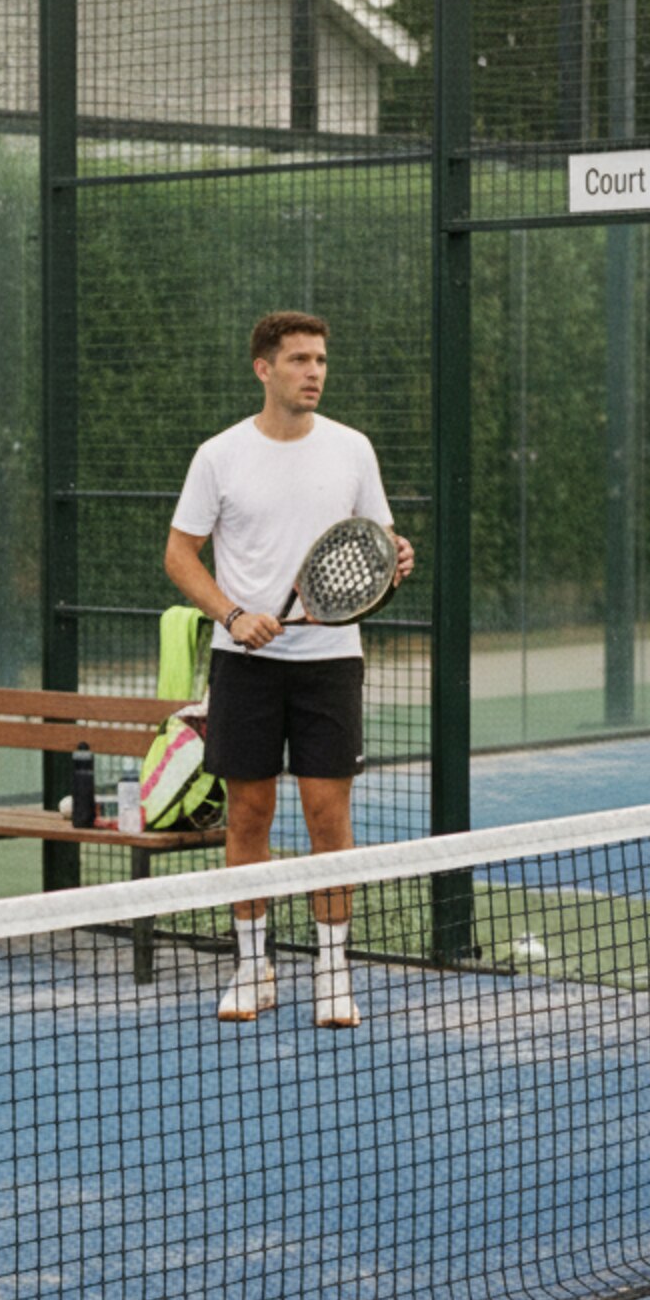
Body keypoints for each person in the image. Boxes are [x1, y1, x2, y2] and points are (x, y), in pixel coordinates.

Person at [164, 310, 415, 1028]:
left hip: (328, 664)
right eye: (300, 360)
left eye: (321, 360)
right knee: (249, 814)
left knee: (327, 817)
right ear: (263, 369)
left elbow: (374, 547)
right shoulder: (219, 456)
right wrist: (233, 614)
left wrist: (398, 557)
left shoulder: (352, 450)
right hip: (244, 665)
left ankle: (333, 974)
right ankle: (252, 967)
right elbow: (179, 555)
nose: (314, 372)